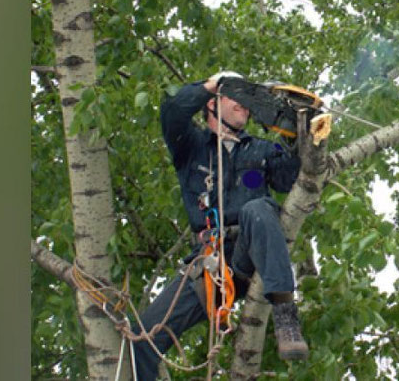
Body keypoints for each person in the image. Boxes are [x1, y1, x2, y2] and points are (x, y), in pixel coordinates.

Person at [131, 71, 309, 380]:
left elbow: (287, 178)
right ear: (213, 103)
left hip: (250, 251)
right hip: (209, 264)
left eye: (249, 101)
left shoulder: (262, 150)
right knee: (141, 339)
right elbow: (172, 110)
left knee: (258, 207)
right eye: (237, 97)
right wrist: (215, 82)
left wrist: (295, 135)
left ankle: (285, 315)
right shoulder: (191, 146)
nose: (246, 106)